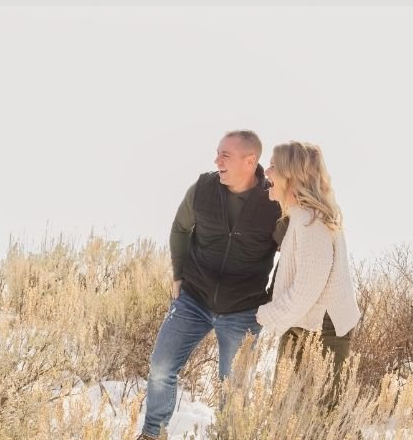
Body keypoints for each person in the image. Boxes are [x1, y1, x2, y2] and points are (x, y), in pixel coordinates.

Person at [138, 132, 284, 440]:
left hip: (243, 311)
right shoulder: (203, 188)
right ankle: (153, 434)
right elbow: (180, 228)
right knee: (161, 368)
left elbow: (291, 252)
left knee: (233, 390)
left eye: (225, 156)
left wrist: (272, 299)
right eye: (218, 154)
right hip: (193, 300)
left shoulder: (273, 202)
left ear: (250, 161)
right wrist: (178, 275)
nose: (217, 161)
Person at [256, 142, 360, 401]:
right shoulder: (300, 216)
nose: (266, 172)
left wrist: (264, 314)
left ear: (290, 175)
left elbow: (307, 288)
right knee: (289, 412)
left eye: (272, 166)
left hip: (322, 328)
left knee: (323, 420)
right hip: (303, 322)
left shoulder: (310, 221)